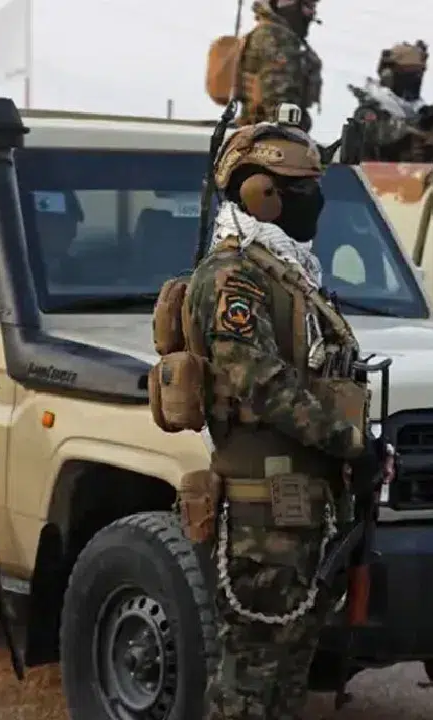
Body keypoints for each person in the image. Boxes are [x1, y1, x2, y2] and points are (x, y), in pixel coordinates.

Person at [150, 105, 385, 719]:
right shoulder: (233, 277)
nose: (316, 203)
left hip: (303, 503)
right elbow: (257, 380)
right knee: (249, 681)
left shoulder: (287, 273)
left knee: (287, 680)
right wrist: (349, 440)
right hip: (263, 511)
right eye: (303, 190)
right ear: (262, 195)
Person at [236, 0, 322, 130]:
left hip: (263, 130)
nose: (312, 13)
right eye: (307, 6)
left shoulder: (277, 35)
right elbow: (279, 104)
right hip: (268, 133)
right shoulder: (275, 38)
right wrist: (287, 133)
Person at [351, 41, 433, 162]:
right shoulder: (371, 108)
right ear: (389, 73)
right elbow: (379, 134)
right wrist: (421, 131)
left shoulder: (413, 108)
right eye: (411, 73)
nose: (417, 78)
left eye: (419, 73)